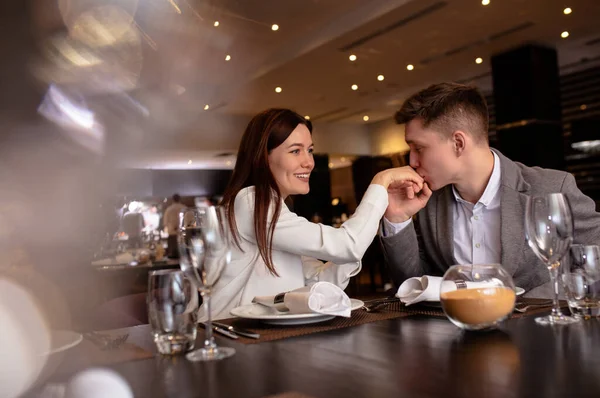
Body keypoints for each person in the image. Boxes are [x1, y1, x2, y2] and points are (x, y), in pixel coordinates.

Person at [380, 82, 600, 298]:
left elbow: (596, 259)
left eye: (418, 148)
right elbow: (414, 283)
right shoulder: (429, 201)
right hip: (455, 330)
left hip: (540, 329)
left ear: (458, 143)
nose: (412, 161)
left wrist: (541, 301)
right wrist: (398, 219)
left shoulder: (552, 188)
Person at [209, 108, 424, 320]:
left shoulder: (274, 208)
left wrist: (354, 245)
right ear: (263, 157)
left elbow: (318, 283)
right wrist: (380, 183)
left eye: (310, 150)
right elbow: (347, 246)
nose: (309, 162)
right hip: (228, 333)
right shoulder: (252, 201)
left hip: (263, 337)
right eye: (295, 151)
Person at [163, 194, 186, 258]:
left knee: (172, 254)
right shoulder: (184, 208)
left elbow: (165, 222)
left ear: (173, 199)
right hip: (182, 234)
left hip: (172, 234)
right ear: (179, 199)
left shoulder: (169, 209)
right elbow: (189, 221)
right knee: (183, 254)